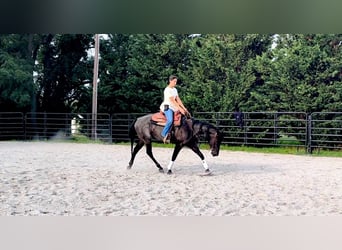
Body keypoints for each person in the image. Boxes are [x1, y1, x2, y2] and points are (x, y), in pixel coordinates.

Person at [159, 75, 188, 143]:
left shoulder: (175, 89)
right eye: (174, 81)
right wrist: (180, 109)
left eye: (176, 82)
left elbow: (178, 99)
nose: (175, 83)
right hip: (168, 107)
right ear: (170, 81)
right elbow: (172, 100)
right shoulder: (167, 90)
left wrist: (184, 108)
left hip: (174, 107)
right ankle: (163, 134)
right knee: (170, 120)